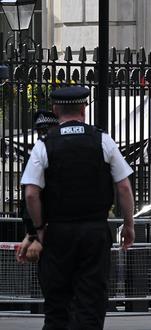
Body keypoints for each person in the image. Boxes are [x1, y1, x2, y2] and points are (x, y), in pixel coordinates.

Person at [20, 86, 136, 330]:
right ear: (84, 109)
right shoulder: (102, 140)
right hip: (94, 232)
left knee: (57, 306)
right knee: (90, 304)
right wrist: (128, 224)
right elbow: (124, 187)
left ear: (55, 109)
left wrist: (38, 230)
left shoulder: (44, 145)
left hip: (57, 233)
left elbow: (31, 193)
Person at [16, 110, 60, 263]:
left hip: (51, 229)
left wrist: (34, 233)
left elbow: (31, 195)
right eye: (41, 130)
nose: (43, 134)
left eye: (47, 130)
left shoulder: (39, 153)